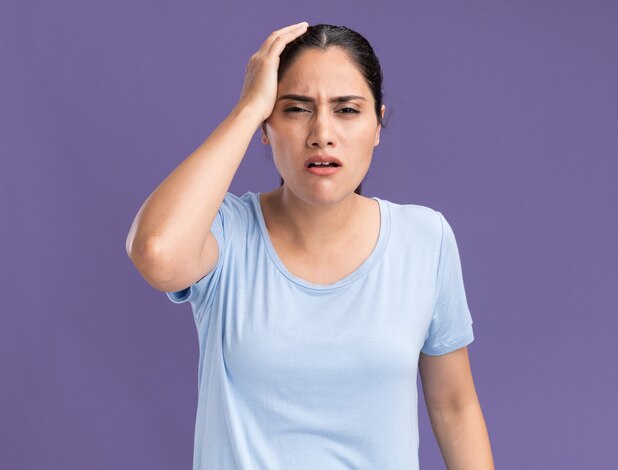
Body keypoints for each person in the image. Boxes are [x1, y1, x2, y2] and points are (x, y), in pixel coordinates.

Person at [126, 21, 494, 470]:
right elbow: (157, 251)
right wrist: (246, 109)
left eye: (347, 110)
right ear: (266, 126)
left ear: (378, 123)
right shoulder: (225, 232)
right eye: (296, 109)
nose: (322, 132)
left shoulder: (425, 239)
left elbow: (454, 405)